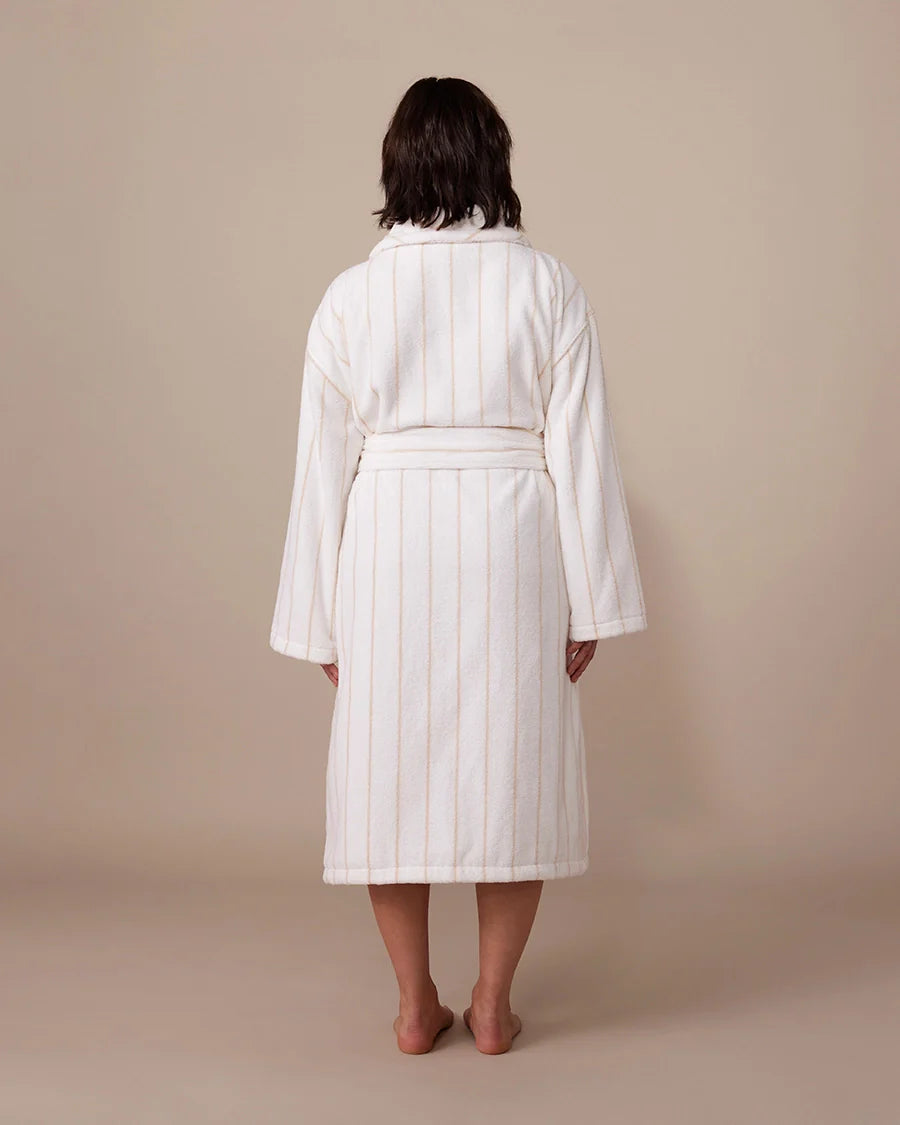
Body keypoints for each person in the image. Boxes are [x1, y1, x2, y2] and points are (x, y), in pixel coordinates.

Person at [269, 76, 648, 1055]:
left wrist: (318, 617)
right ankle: (491, 1004)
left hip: (387, 545)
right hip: (512, 542)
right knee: (511, 770)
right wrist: (592, 601)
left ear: (397, 165)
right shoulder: (547, 285)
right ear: (494, 159)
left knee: (386, 774)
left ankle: (413, 1006)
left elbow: (322, 467)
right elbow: (582, 452)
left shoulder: (350, 297)